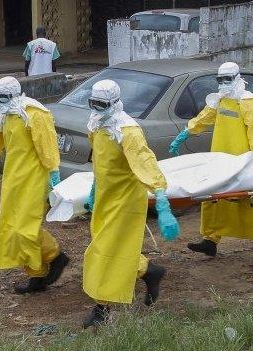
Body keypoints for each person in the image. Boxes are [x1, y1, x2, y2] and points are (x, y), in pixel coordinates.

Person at [82, 79, 180, 328]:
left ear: (114, 103)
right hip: (106, 196)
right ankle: (148, 270)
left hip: (126, 199)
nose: (97, 108)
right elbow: (100, 161)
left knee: (104, 251)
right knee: (110, 246)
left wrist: (162, 202)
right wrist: (95, 188)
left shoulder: (128, 131)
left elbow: (146, 164)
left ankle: (102, 309)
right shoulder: (97, 125)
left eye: (102, 104)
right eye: (93, 103)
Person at [0, 76, 68, 294]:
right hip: (13, 180)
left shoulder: (35, 114)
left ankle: (55, 256)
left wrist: (54, 178)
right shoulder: (5, 116)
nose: (0, 101)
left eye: (3, 97)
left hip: (35, 180)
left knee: (25, 230)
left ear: (14, 94)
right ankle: (37, 274)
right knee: (11, 228)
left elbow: (48, 148)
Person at [168, 62, 253, 255]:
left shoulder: (249, 102)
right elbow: (204, 117)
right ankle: (210, 240)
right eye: (220, 79)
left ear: (237, 78)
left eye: (227, 79)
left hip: (241, 159)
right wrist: (185, 133)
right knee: (213, 198)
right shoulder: (220, 99)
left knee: (247, 199)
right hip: (219, 158)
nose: (223, 83)